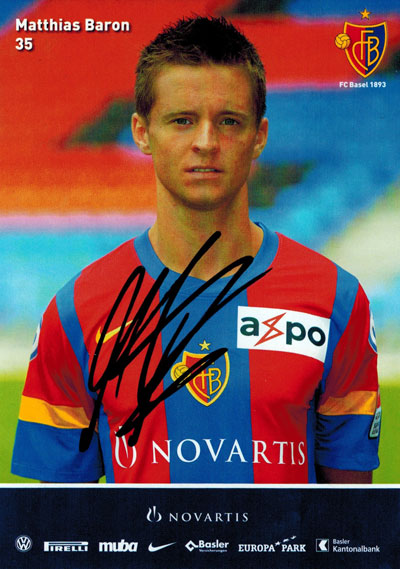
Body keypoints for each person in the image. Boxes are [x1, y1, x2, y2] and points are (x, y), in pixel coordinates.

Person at [11, 16, 381, 484]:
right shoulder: (78, 311)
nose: (206, 143)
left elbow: (351, 515)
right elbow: (59, 518)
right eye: (182, 121)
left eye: (229, 122)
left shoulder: (334, 300)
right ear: (141, 132)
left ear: (259, 136)